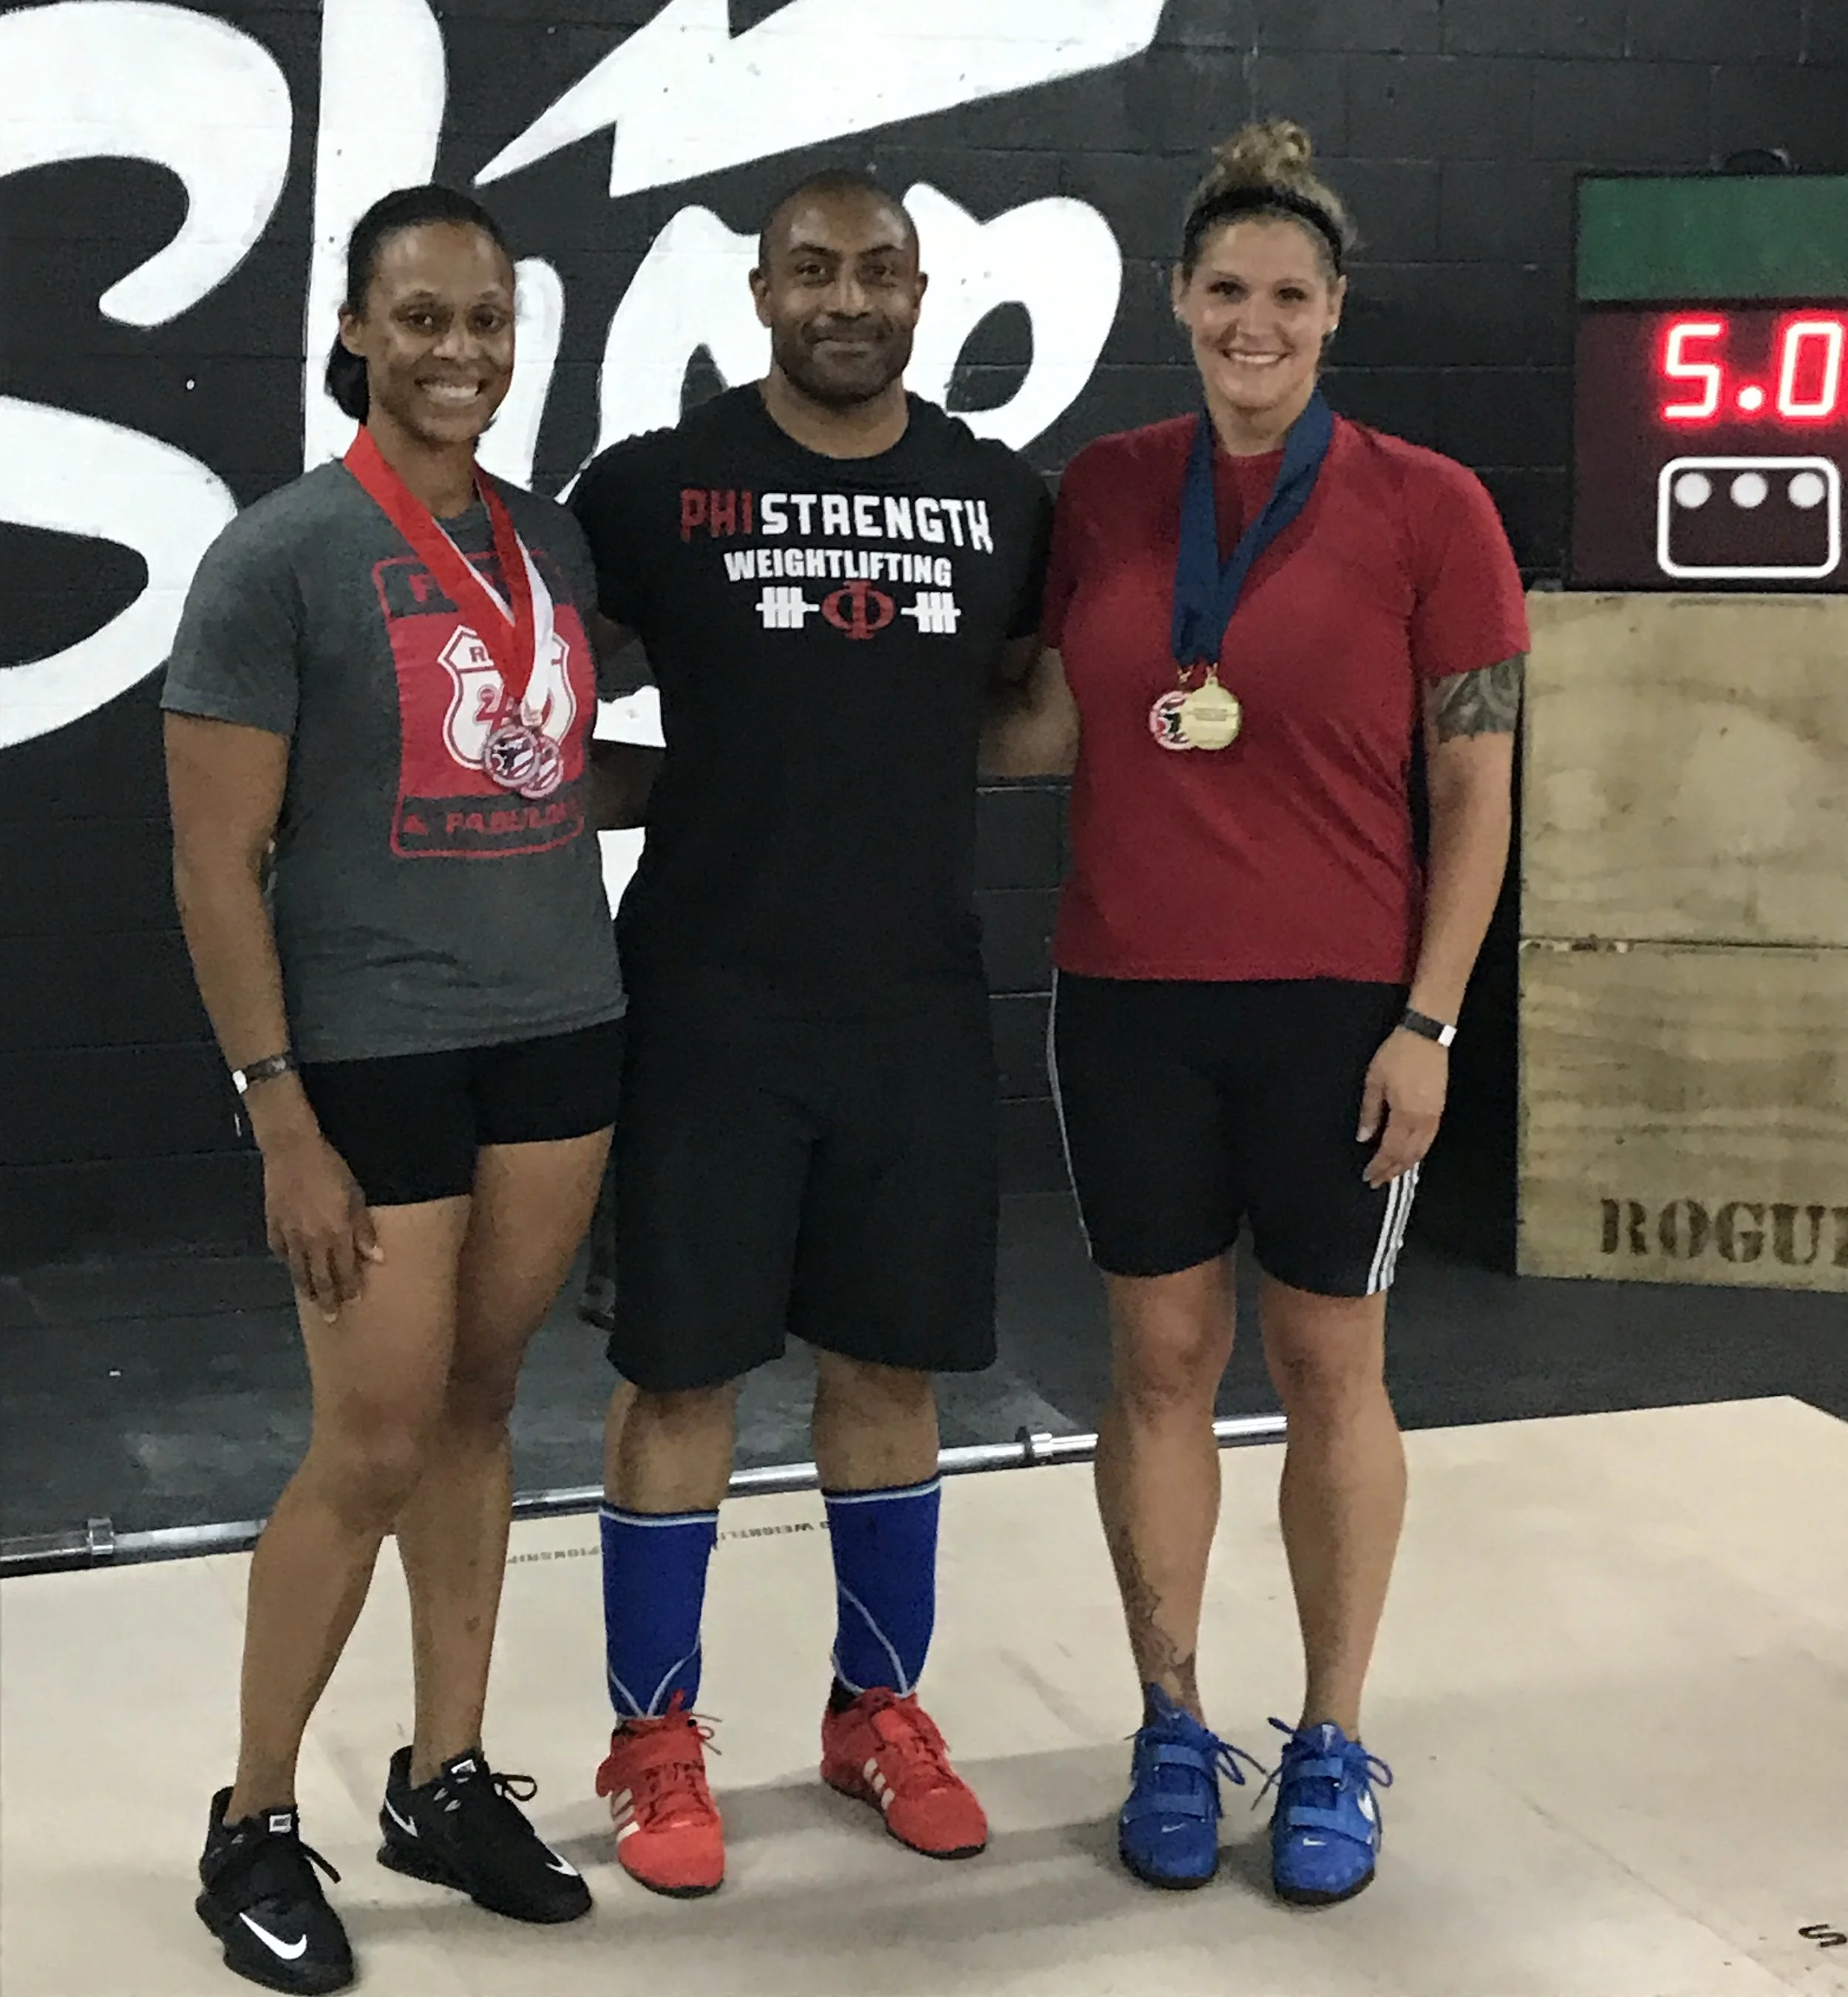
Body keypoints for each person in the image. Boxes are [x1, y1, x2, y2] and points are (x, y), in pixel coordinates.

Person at [984, 123, 1526, 1904]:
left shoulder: (1428, 505)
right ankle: (1166, 1718)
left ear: (1331, 312)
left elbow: (1476, 790)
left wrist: (1428, 1022)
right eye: (1224, 289)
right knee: (1153, 1366)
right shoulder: (1105, 489)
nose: (1253, 321)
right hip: (1129, 1000)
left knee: (1326, 1367)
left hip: (1338, 1014)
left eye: (1286, 294)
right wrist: (812, 738)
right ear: (1177, 301)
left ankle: (1329, 1732)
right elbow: (1053, 722)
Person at [566, 169, 1053, 1897]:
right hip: (706, 1003)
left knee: (891, 1375)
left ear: (922, 288)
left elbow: (1031, 715)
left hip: (911, 1003)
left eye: (875, 271)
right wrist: (644, 787)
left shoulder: (996, 498)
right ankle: (652, 1740)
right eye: (809, 271)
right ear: (758, 293)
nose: (844, 298)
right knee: (678, 1374)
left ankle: (875, 1711)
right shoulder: (648, 492)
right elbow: (531, 696)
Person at [164, 185, 625, 1994]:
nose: (458, 350)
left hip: (558, 1025)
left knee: (481, 1405)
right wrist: (278, 1106)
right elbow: (215, 864)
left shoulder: (555, 547)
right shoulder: (275, 557)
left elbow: (556, 768)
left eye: (488, 319)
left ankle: (441, 1777)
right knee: (364, 1441)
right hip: (367, 1058)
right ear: (355, 330)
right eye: (421, 318)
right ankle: (252, 1819)